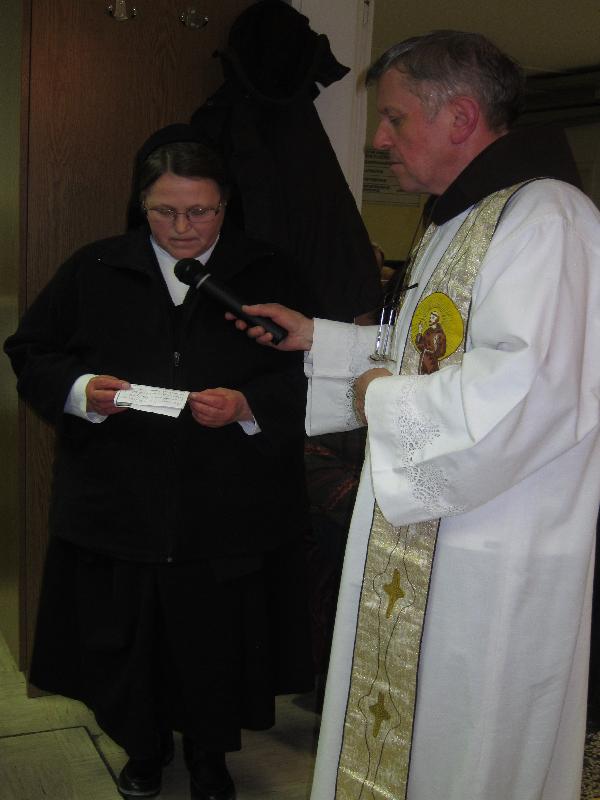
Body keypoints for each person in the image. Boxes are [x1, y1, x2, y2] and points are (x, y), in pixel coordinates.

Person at [229, 30, 600, 800]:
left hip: (495, 548)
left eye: (394, 118)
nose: (379, 140)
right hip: (439, 528)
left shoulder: (548, 220)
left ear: (460, 117)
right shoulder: (455, 221)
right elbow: (427, 352)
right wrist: (322, 340)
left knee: (467, 746)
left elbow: (530, 392)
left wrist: (379, 397)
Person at [4, 124, 314, 800]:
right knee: (127, 642)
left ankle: (209, 756)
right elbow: (32, 352)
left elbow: (312, 375)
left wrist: (248, 404)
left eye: (200, 211)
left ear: (226, 204)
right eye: (164, 211)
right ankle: (142, 750)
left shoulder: (269, 271)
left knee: (213, 644)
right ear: (139, 204)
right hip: (118, 501)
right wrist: (82, 391)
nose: (182, 228)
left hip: (228, 506)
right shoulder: (94, 268)